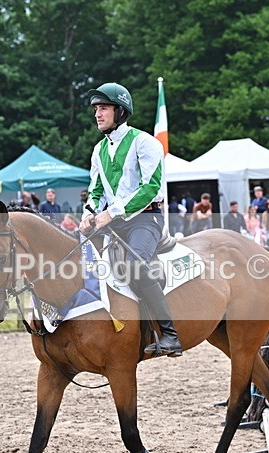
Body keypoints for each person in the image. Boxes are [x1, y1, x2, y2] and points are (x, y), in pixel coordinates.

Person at [79, 81, 181, 357]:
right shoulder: (99, 150)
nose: (97, 114)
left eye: (103, 108)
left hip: (146, 219)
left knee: (135, 264)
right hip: (114, 222)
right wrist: (89, 214)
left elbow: (150, 188)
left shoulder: (144, 142)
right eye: (96, 109)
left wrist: (111, 213)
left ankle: (170, 334)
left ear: (120, 111)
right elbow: (97, 190)